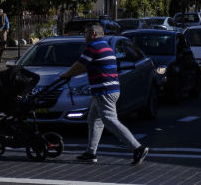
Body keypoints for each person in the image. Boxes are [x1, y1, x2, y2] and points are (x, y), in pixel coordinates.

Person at [59, 23, 149, 166]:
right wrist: (71, 74)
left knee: (109, 120)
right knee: (94, 119)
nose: (84, 36)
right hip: (109, 89)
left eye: (86, 33)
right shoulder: (106, 46)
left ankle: (137, 148)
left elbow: (81, 64)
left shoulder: (93, 47)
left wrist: (66, 74)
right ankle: (91, 153)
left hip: (104, 90)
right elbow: (87, 66)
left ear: (93, 34)